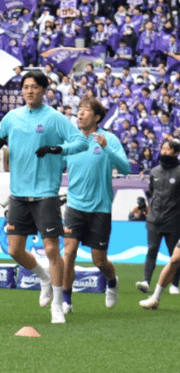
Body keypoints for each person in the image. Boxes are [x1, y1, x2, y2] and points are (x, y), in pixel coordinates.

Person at [0, 70, 88, 324]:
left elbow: (81, 143)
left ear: (44, 90)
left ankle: (57, 304)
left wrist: (56, 148)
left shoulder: (54, 118)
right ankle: (43, 277)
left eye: (34, 87)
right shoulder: (12, 117)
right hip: (18, 194)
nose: (29, 91)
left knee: (52, 248)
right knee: (14, 249)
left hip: (46, 194)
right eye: (26, 87)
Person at [60, 97, 129, 313]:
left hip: (100, 208)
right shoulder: (71, 141)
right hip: (74, 207)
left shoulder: (109, 139)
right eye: (79, 110)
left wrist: (106, 148)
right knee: (69, 252)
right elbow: (55, 167)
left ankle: (112, 282)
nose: (80, 114)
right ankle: (66, 300)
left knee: (99, 261)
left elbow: (125, 168)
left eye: (86, 110)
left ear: (97, 117)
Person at [136, 139, 180, 296]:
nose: (165, 151)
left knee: (174, 256)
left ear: (176, 152)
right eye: (163, 148)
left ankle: (174, 284)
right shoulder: (154, 172)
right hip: (154, 220)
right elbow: (153, 194)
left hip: (174, 221)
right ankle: (146, 282)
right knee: (152, 250)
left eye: (168, 149)